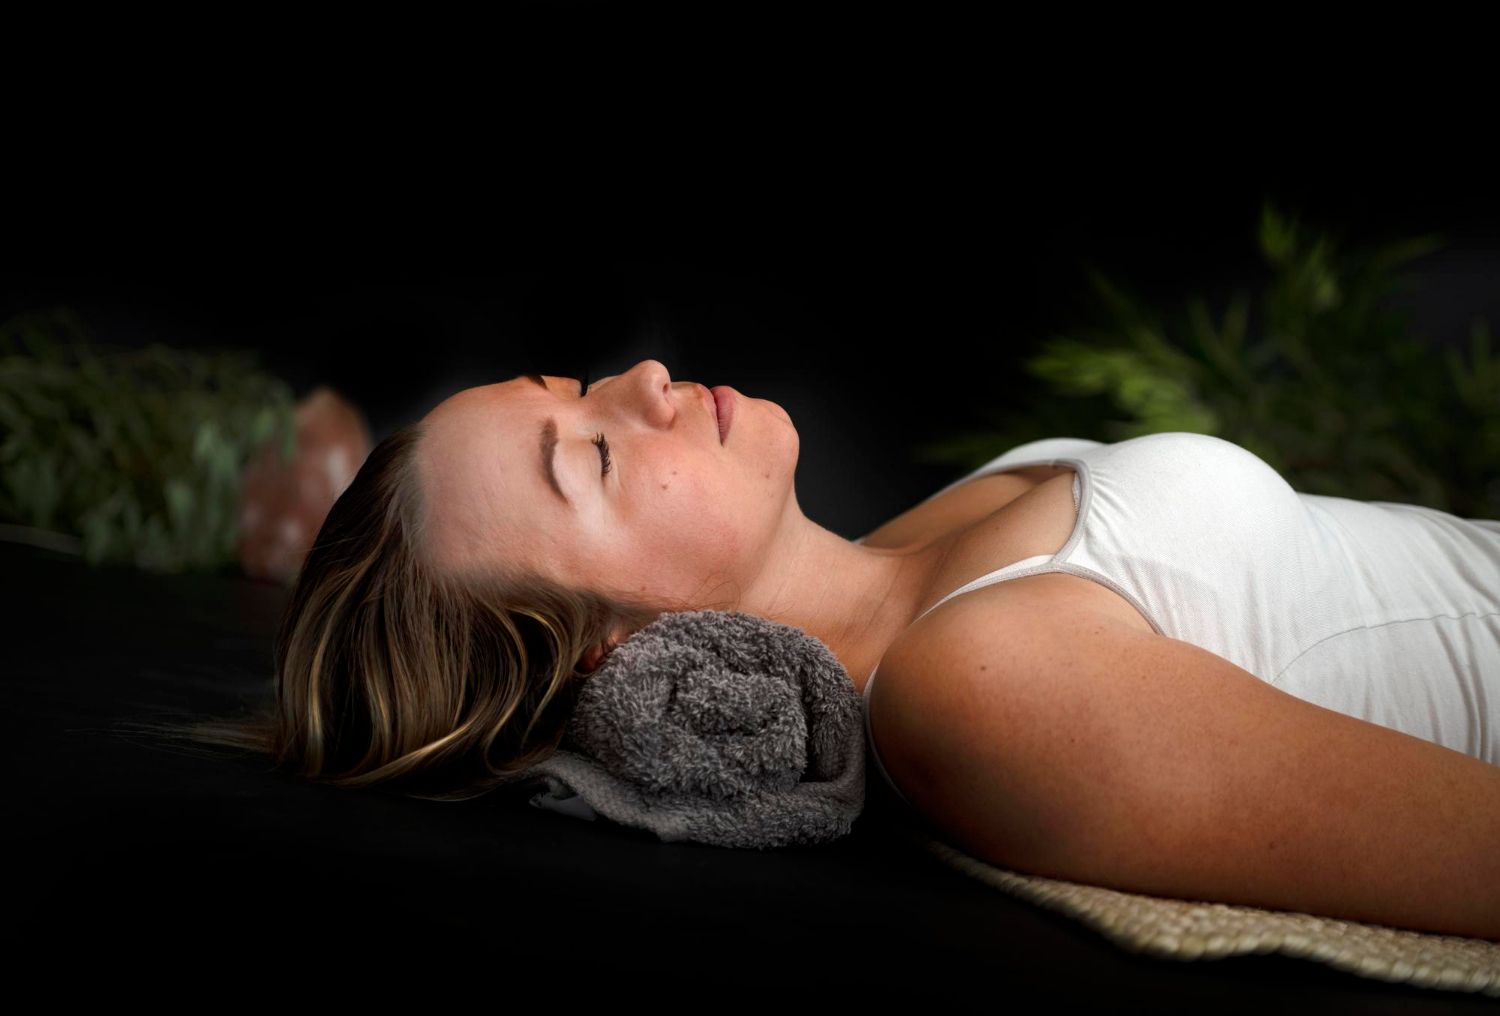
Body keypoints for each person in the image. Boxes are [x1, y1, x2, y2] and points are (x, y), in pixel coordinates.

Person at [152, 357, 1500, 940]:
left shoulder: (920, 556)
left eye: (573, 383)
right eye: (599, 455)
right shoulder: (976, 692)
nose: (644, 380)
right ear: (606, 657)